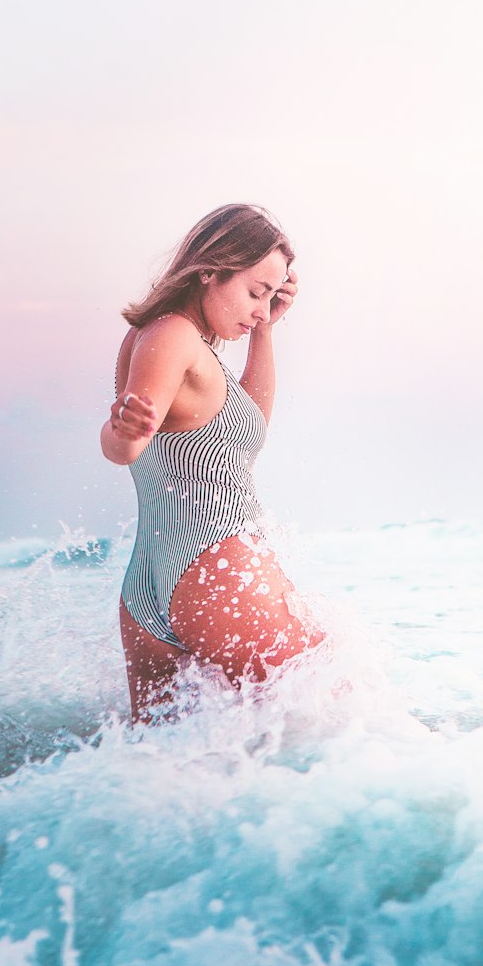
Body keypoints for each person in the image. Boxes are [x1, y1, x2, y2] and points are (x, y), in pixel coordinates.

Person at [101, 203, 324, 721]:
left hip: (147, 594)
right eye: (254, 292)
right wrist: (124, 433)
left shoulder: (167, 340)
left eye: (271, 296)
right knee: (331, 721)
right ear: (210, 270)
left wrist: (266, 331)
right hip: (216, 572)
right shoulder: (175, 335)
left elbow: (248, 431)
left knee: (160, 769)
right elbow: (123, 445)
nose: (260, 309)